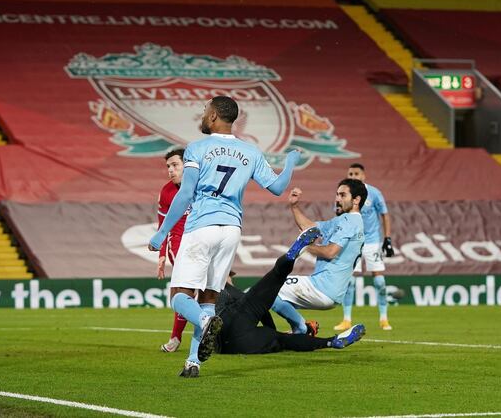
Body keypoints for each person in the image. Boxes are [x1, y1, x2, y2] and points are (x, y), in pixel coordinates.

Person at [148, 96, 300, 378]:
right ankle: (193, 362)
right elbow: (278, 187)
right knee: (207, 298)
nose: (203, 115)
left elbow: (185, 195)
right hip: (231, 230)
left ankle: (206, 323)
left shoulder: (197, 148)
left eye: (206, 111)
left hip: (202, 227)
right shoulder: (250, 152)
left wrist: (161, 232)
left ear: (215, 115)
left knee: (180, 298)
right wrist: (290, 162)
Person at [214, 227, 365, 363]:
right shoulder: (222, 286)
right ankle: (291, 255)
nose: (232, 278)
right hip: (236, 325)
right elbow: (261, 311)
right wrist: (271, 331)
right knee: (276, 277)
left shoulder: (204, 291)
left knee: (284, 339)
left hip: (230, 347)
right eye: (230, 275)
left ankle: (331, 341)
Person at [270, 180, 366, 335]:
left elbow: (330, 252)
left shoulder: (351, 221)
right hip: (329, 289)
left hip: (323, 286)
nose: (337, 199)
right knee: (275, 295)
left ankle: (301, 328)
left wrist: (305, 246)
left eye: (343, 195)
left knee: (269, 290)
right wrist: (294, 206)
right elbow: (310, 228)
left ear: (356, 200)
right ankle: (297, 331)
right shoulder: (343, 220)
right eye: (337, 195)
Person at [334, 163, 395, 332]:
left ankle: (384, 318)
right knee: (349, 279)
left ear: (363, 176)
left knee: (379, 280)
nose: (353, 176)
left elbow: (385, 214)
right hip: (353, 241)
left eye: (356, 173)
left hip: (372, 241)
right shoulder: (343, 193)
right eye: (350, 173)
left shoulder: (374, 193)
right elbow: (338, 215)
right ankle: (346, 319)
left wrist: (387, 238)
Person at [156, 148, 189, 353]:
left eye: (175, 165)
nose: (170, 170)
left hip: (205, 242)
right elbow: (162, 224)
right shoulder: (166, 191)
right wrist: (161, 254)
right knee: (183, 291)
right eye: (168, 166)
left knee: (215, 289)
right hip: (178, 245)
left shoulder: (202, 186)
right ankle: (176, 337)